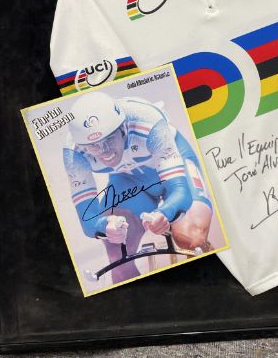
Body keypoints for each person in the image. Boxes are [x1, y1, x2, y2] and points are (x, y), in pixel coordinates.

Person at [64, 91, 213, 283]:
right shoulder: (73, 152)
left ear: (123, 128)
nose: (105, 151)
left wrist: (164, 213)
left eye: (109, 140)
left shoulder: (147, 121)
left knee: (191, 238)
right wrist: (105, 225)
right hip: (128, 180)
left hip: (174, 168)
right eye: (94, 146)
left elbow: (179, 192)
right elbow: (88, 219)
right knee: (117, 255)